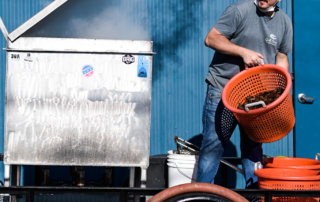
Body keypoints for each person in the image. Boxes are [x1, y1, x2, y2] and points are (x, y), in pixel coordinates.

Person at [196, 0, 293, 188]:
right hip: (223, 90)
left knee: (253, 149)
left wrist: (282, 93)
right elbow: (211, 38)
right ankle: (202, 195)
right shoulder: (239, 11)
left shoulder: (284, 22)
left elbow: (281, 57)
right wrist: (243, 52)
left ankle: (254, 196)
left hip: (255, 98)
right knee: (212, 146)